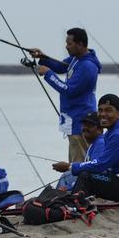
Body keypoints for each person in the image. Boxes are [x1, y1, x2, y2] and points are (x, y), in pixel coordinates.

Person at [52, 94, 119, 203]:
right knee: (90, 174)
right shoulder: (117, 131)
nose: (103, 114)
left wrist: (70, 166)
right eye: (100, 110)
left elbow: (100, 165)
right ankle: (78, 202)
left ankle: (74, 206)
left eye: (109, 110)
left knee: (87, 176)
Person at [27, 28, 101, 162]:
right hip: (73, 120)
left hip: (80, 122)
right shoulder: (76, 59)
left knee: (78, 162)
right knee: (76, 160)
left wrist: (48, 74)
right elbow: (61, 66)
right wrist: (42, 57)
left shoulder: (87, 66)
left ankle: (78, 183)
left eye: (69, 44)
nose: (66, 47)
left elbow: (68, 90)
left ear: (80, 44)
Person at [55, 112, 104, 190]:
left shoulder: (100, 143)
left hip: (98, 184)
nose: (85, 128)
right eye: (84, 125)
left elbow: (95, 170)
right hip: (90, 181)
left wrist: (69, 166)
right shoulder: (94, 143)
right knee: (67, 176)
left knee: (66, 176)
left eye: (90, 126)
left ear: (100, 129)